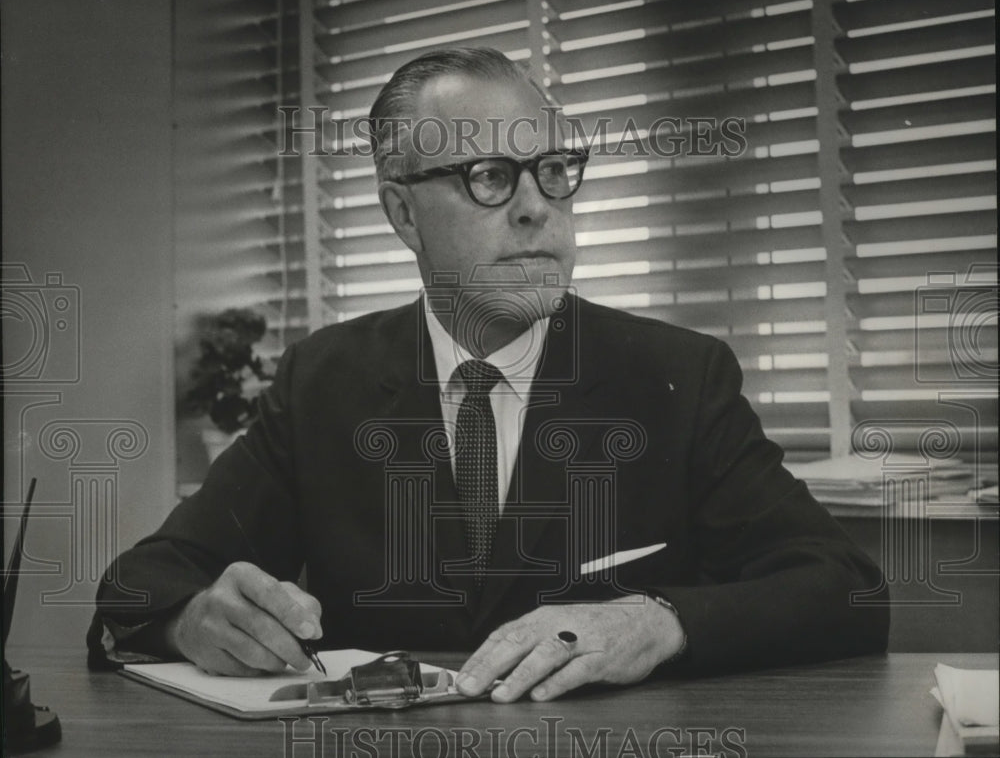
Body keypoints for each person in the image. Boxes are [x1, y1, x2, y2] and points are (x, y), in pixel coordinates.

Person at [89, 47, 888, 703]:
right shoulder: (322, 382)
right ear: (403, 214)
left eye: (552, 169)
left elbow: (843, 587)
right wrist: (192, 617)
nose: (537, 206)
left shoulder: (675, 375)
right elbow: (140, 583)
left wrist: (659, 618)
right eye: (490, 177)